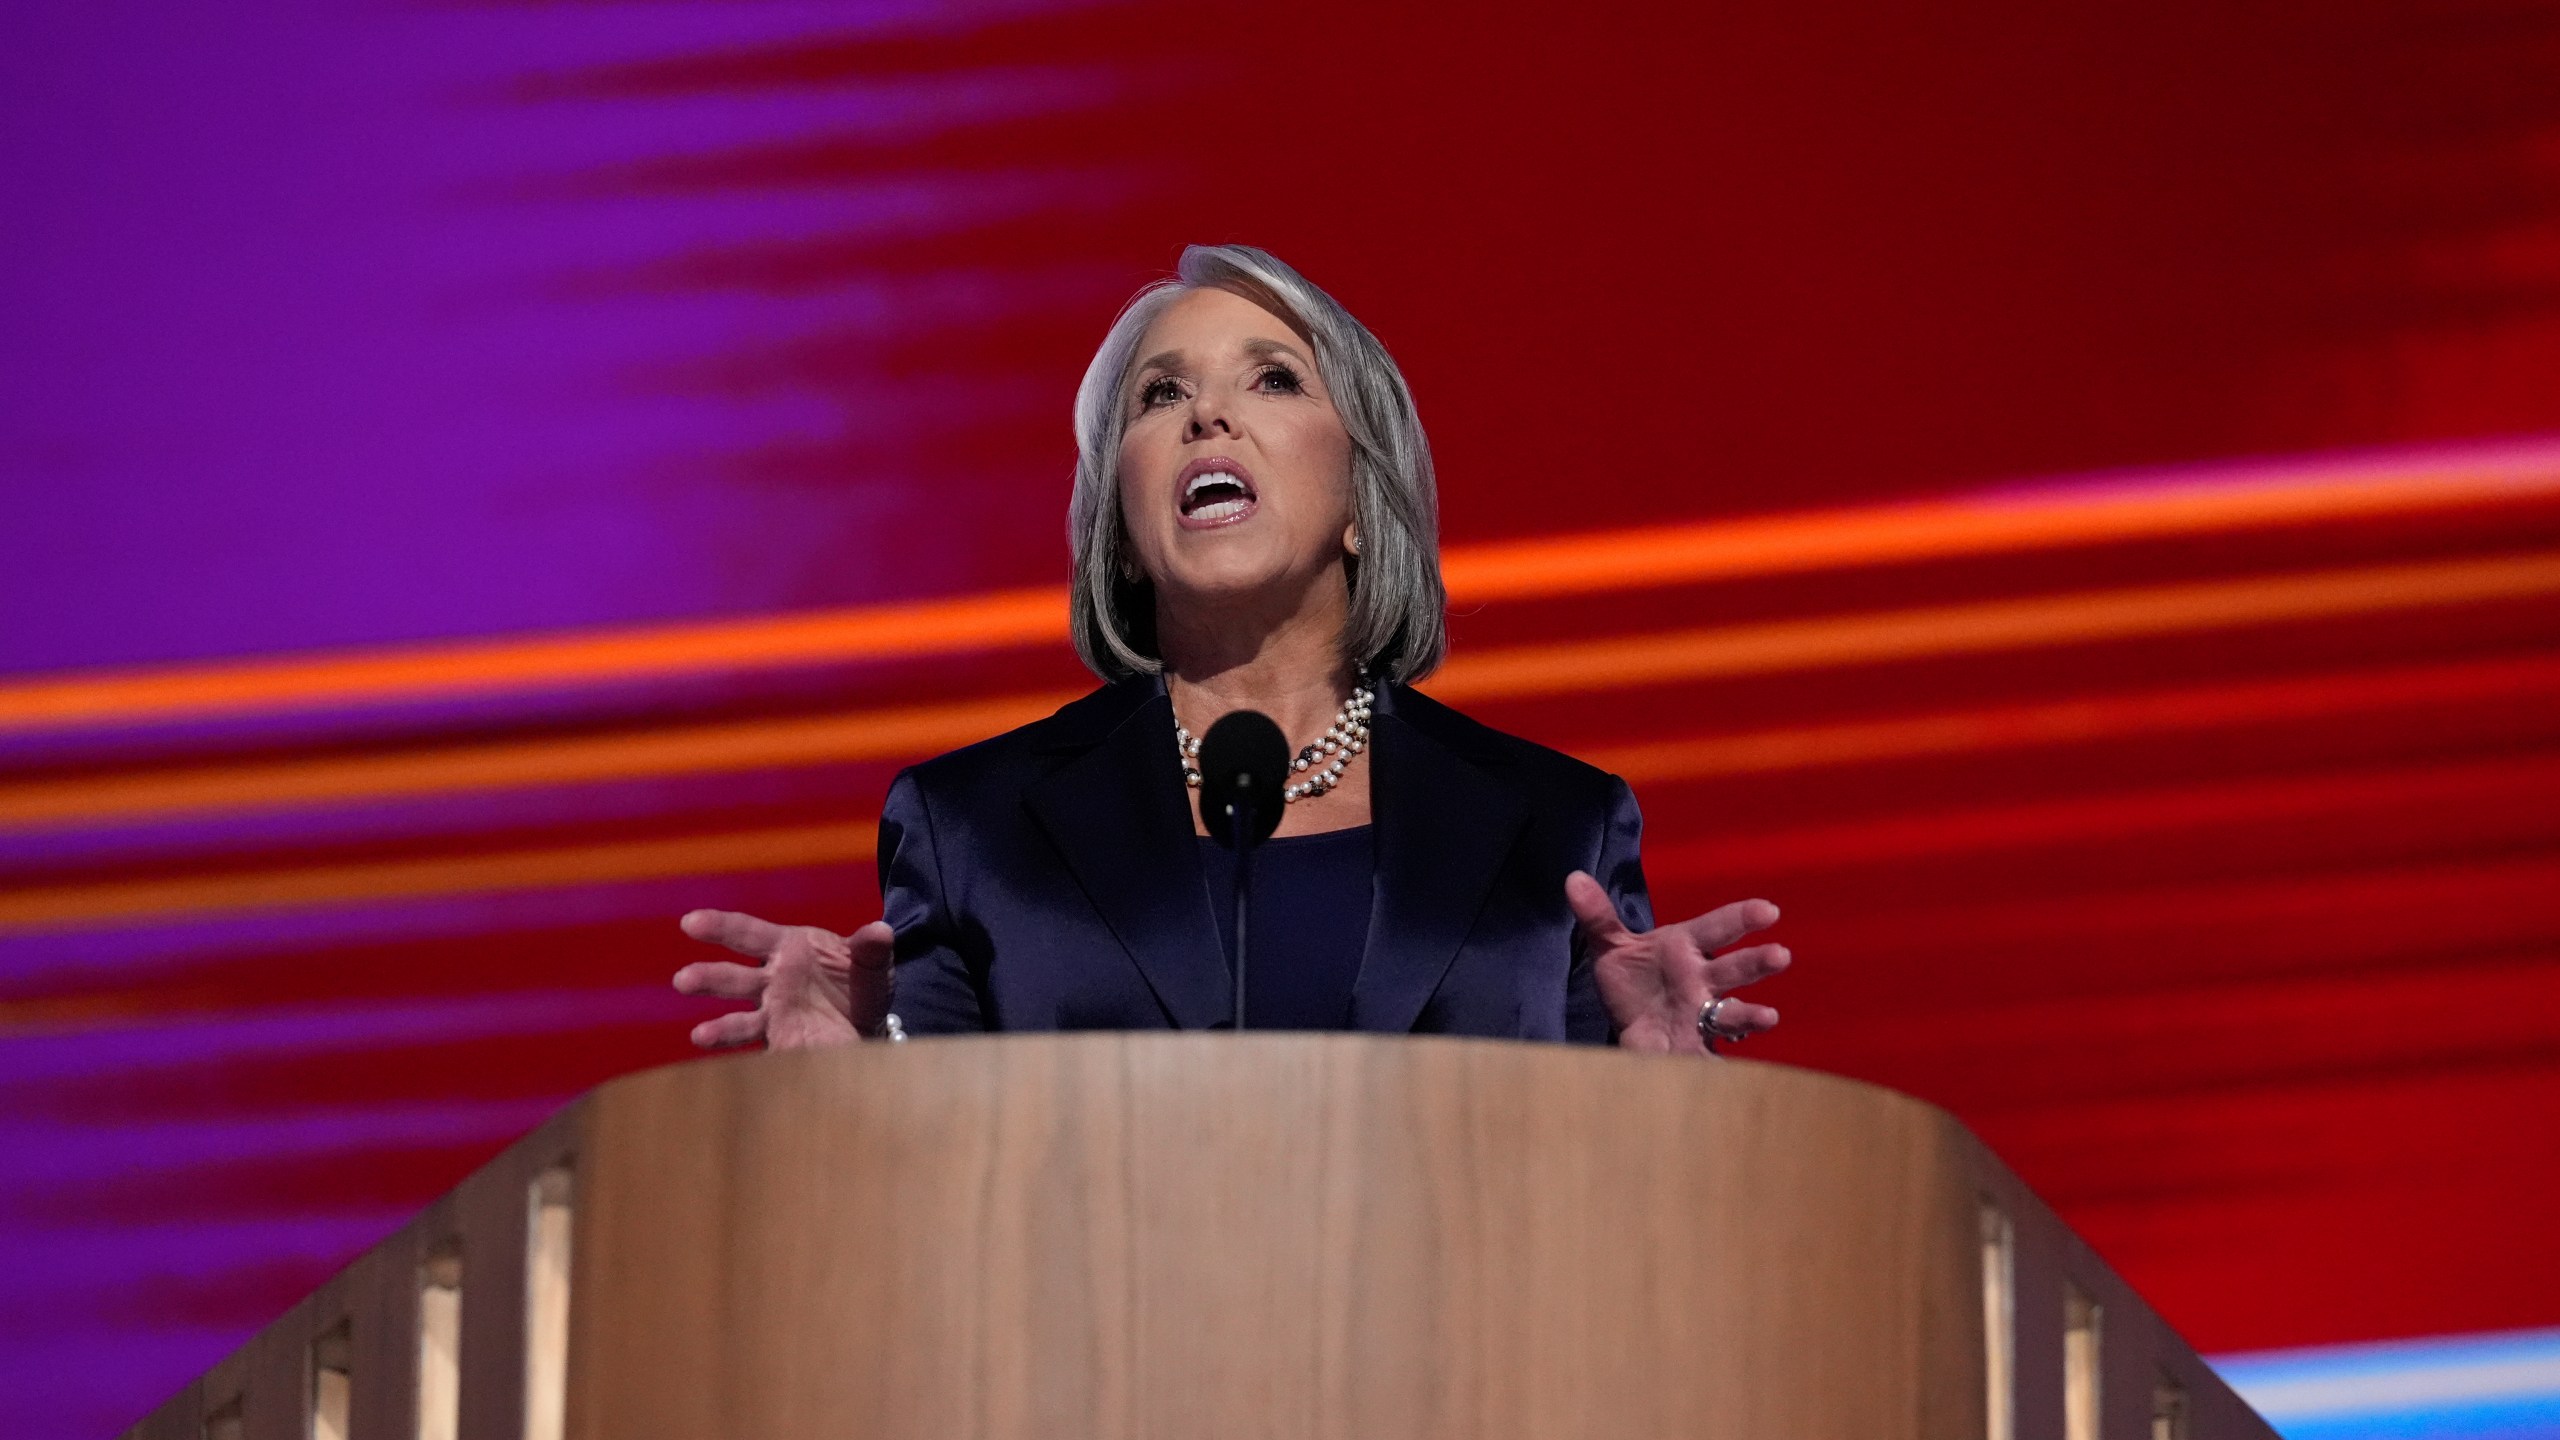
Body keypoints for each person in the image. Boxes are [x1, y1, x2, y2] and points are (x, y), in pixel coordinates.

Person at [672, 245, 1789, 1054]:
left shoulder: (1555, 828)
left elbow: (1619, 1218)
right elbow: (931, 1196)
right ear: (1122, 527)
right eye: (1161, 397)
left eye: (1271, 378)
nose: (1208, 418)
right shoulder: (977, 827)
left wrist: (1656, 1084)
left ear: (1362, 500)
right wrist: (846, 1073)